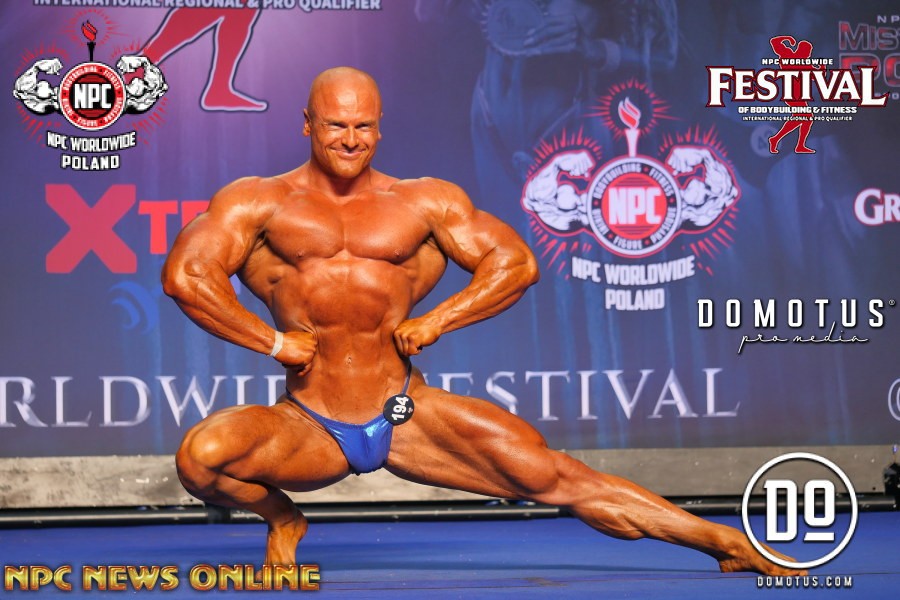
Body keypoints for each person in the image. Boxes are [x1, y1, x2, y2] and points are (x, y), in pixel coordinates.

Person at [162, 66, 803, 575]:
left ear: (380, 129)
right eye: (335, 125)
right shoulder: (258, 202)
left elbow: (515, 263)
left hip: (404, 413)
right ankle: (285, 520)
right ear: (307, 123)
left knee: (557, 478)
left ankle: (726, 543)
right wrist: (273, 341)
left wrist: (439, 320)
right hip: (308, 421)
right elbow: (186, 278)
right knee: (201, 461)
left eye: (363, 126)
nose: (350, 139)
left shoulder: (424, 202)